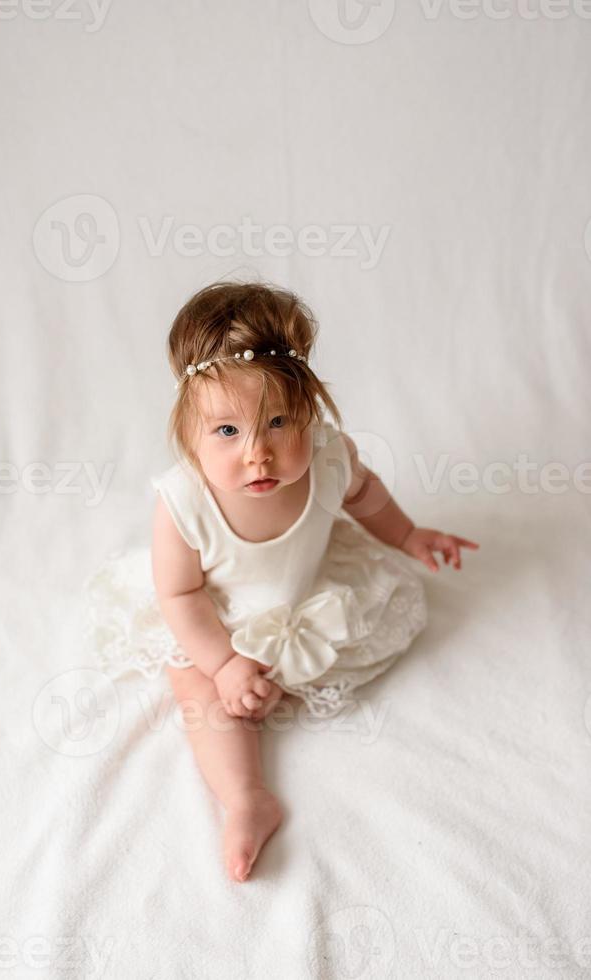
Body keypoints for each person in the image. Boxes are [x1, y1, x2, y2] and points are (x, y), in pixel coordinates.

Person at [84, 280, 480, 884]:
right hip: (215, 615)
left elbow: (367, 496)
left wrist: (408, 536)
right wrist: (222, 664)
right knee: (197, 688)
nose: (258, 454)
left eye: (277, 422)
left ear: (310, 413)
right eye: (227, 432)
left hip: (305, 591)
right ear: (190, 434)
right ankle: (247, 798)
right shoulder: (184, 501)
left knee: (342, 638)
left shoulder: (327, 458)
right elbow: (179, 595)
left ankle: (270, 691)